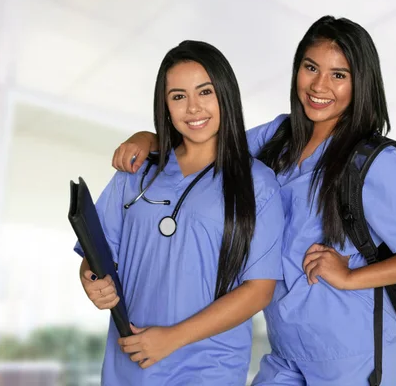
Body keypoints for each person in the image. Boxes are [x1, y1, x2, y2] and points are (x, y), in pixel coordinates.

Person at [112, 16, 396, 386]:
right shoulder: (278, 136)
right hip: (286, 350)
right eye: (311, 68)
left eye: (339, 75)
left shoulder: (374, 162)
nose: (319, 85)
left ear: (361, 83)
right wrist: (148, 137)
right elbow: (208, 145)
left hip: (352, 353)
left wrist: (351, 276)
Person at [74, 40, 284, 386]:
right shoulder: (137, 172)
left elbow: (259, 289)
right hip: (130, 363)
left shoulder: (257, 184)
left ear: (226, 95)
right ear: (165, 105)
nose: (193, 108)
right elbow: (97, 250)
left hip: (207, 367)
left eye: (205, 92)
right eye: (178, 96)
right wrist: (91, 279)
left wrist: (172, 337)